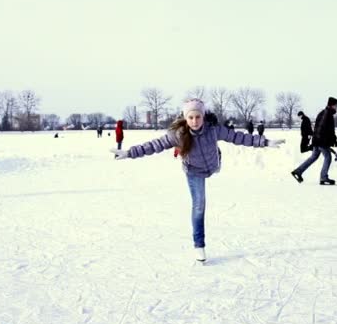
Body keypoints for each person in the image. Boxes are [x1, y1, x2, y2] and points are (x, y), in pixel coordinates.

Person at [110, 99, 285, 262]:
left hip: (212, 163)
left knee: (214, 162)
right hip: (194, 171)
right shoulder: (178, 135)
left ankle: (216, 161)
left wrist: (265, 142)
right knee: (199, 205)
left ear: (203, 116)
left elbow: (238, 137)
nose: (195, 121)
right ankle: (199, 245)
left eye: (198, 117)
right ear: (186, 119)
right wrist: (129, 152)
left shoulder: (213, 129)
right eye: (191, 117)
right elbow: (154, 145)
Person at [291, 97, 337, 185]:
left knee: (313, 157)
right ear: (332, 105)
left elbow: (327, 129)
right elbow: (323, 128)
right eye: (336, 105)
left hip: (317, 140)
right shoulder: (327, 114)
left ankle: (298, 172)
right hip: (321, 140)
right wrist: (326, 140)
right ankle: (323, 177)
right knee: (328, 157)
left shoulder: (323, 113)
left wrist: (333, 139)